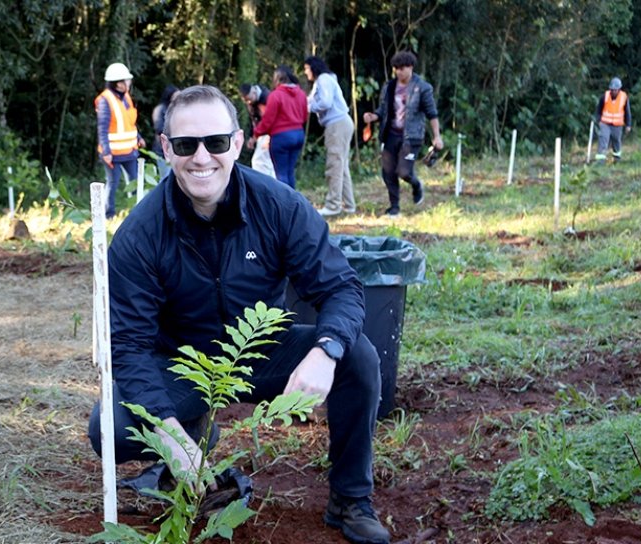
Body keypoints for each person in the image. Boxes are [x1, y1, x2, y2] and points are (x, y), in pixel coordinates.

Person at [87, 85, 390, 544]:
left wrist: (324, 352)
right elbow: (128, 346)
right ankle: (189, 440)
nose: (201, 157)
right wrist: (170, 436)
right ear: (166, 148)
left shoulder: (280, 207)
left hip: (260, 350)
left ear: (239, 142)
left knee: (357, 357)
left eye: (215, 142)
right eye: (186, 145)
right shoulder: (139, 236)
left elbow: (341, 288)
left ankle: (350, 499)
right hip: (183, 366)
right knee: (111, 427)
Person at [363, 51, 443, 216]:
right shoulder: (389, 86)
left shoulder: (422, 88)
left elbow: (432, 114)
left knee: (403, 172)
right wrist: (373, 116)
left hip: (411, 137)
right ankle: (394, 207)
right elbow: (383, 109)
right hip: (390, 134)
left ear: (411, 67)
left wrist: (437, 136)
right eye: (396, 68)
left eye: (402, 68)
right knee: (388, 172)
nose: (399, 72)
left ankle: (416, 184)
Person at [304, 56, 356, 216]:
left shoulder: (324, 79)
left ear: (313, 68)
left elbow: (325, 102)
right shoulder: (324, 80)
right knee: (341, 166)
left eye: (306, 68)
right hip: (341, 123)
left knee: (334, 165)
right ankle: (349, 205)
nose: (305, 72)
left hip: (337, 125)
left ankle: (333, 206)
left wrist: (309, 107)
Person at [94, 62, 145, 218]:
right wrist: (106, 152)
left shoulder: (126, 98)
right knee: (112, 183)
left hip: (129, 151)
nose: (128, 83)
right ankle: (108, 214)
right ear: (116, 83)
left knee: (135, 181)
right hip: (112, 154)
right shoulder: (105, 100)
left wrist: (138, 137)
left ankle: (137, 212)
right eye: (125, 81)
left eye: (128, 80)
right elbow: (102, 128)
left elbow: (129, 123)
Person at [250, 66, 308, 188]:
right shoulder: (302, 94)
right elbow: (304, 117)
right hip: (298, 134)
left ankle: (283, 199)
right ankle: (292, 198)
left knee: (281, 174)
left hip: (281, 137)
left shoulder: (275, 95)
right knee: (290, 172)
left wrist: (256, 134)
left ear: (277, 79)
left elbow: (268, 121)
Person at [238, 83, 276, 178]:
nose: (248, 102)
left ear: (254, 92)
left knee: (259, 161)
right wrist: (252, 137)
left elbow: (272, 120)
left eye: (249, 99)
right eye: (246, 101)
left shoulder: (267, 99)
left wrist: (270, 138)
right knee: (267, 163)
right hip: (261, 134)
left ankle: (262, 182)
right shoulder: (252, 103)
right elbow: (254, 121)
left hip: (270, 133)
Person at [594, 77, 632, 162]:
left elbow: (627, 112)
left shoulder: (624, 97)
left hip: (618, 125)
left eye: (615, 90)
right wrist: (598, 120)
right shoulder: (605, 96)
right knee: (603, 139)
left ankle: (617, 159)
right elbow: (598, 109)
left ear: (619, 89)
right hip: (605, 123)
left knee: (616, 141)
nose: (613, 91)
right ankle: (600, 161)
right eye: (612, 89)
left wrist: (628, 125)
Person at [152, 84, 179, 179]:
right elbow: (158, 128)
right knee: (165, 176)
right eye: (176, 96)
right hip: (162, 149)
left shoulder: (178, 109)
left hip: (175, 148)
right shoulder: (160, 109)